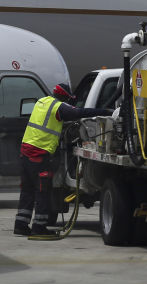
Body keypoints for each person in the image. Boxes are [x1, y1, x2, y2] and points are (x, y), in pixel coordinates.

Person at [14, 82, 112, 236]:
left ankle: (20, 224)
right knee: (42, 191)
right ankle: (39, 227)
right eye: (68, 99)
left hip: (26, 152)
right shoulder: (57, 107)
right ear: (64, 97)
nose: (68, 102)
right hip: (39, 155)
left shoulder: (42, 101)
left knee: (27, 190)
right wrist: (105, 111)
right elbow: (78, 112)